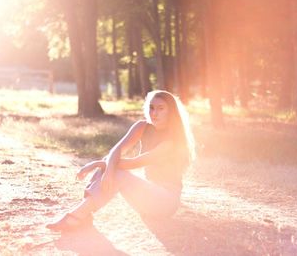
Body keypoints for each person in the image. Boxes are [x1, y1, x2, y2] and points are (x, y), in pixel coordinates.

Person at [46, 90, 195, 231]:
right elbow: (116, 151)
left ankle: (75, 217)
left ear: (171, 112)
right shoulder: (142, 126)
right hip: (147, 195)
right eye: (151, 108)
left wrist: (99, 164)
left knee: (114, 170)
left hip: (165, 202)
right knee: (110, 165)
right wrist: (106, 166)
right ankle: (84, 215)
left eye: (161, 108)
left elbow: (135, 162)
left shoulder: (172, 141)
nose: (154, 113)